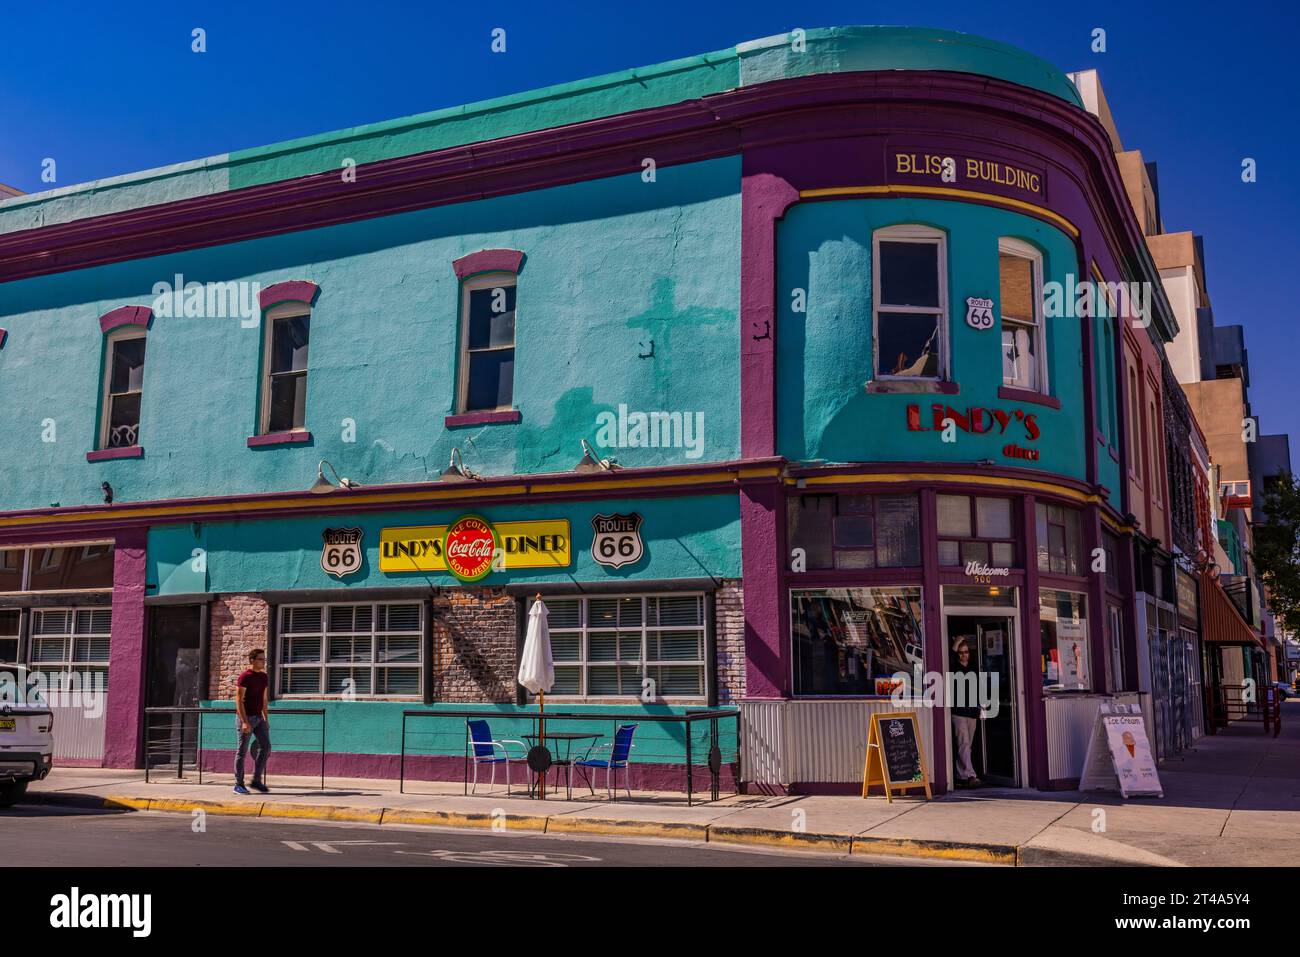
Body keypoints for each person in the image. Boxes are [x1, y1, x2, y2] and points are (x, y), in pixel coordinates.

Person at [233, 648, 271, 795]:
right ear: (252, 660)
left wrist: (266, 718)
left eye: (264, 659)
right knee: (242, 751)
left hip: (258, 718)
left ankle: (256, 780)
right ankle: (238, 784)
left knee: (266, 747)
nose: (263, 662)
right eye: (260, 659)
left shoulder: (264, 677)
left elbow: (264, 699)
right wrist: (244, 721)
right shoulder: (245, 677)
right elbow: (238, 699)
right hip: (245, 718)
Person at [950, 636, 982, 788]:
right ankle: (970, 775)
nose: (964, 655)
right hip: (958, 711)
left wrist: (980, 707)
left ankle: (960, 773)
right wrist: (956, 643)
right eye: (961, 652)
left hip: (972, 711)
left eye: (966, 652)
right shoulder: (954, 667)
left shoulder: (974, 668)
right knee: (964, 743)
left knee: (967, 745)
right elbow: (949, 659)